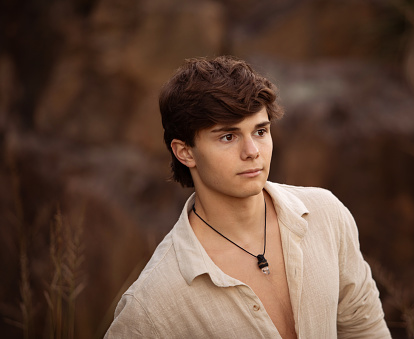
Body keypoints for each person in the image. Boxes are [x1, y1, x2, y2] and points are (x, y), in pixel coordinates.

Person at [105, 56, 391, 338]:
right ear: (185, 152)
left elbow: (366, 331)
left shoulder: (326, 214)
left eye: (260, 131)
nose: (252, 151)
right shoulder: (151, 305)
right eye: (228, 137)